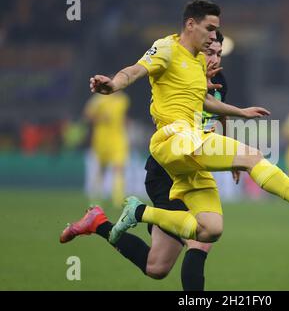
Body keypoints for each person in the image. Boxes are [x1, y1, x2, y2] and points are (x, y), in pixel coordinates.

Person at [63, 0, 289, 288]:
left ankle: (133, 213)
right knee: (253, 156)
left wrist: (239, 112)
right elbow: (135, 70)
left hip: (193, 149)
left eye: (217, 31)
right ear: (190, 24)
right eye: (210, 29)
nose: (213, 37)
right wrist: (113, 84)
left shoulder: (200, 63)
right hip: (173, 140)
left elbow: (203, 101)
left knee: (208, 233)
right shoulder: (167, 48)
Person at [60, 30, 235, 291]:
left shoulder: (218, 80)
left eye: (219, 53)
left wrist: (229, 154)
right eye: (210, 52)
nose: (215, 59)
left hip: (192, 168)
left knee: (156, 267)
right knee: (202, 238)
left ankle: (98, 223)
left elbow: (218, 114)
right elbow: (136, 73)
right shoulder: (179, 76)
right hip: (170, 168)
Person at [83, 91, 130, 207]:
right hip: (101, 140)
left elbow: (122, 117)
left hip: (118, 139)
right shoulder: (99, 99)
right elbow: (87, 114)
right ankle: (96, 196)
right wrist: (100, 118)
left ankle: (118, 200)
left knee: (119, 168)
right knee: (101, 169)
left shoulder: (123, 100)